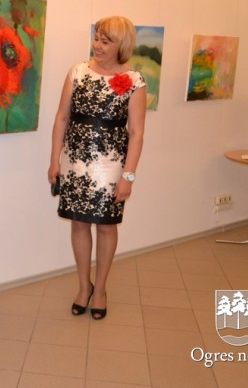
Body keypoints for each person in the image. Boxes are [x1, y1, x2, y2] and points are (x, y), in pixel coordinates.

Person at [48, 16, 146, 321]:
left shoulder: (134, 81)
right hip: (75, 161)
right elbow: (61, 118)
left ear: (121, 45)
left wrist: (128, 176)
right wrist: (54, 160)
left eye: (105, 41)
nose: (97, 45)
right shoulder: (77, 72)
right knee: (78, 223)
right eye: (97, 38)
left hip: (111, 165)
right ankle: (83, 286)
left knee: (105, 225)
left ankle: (100, 289)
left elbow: (136, 133)